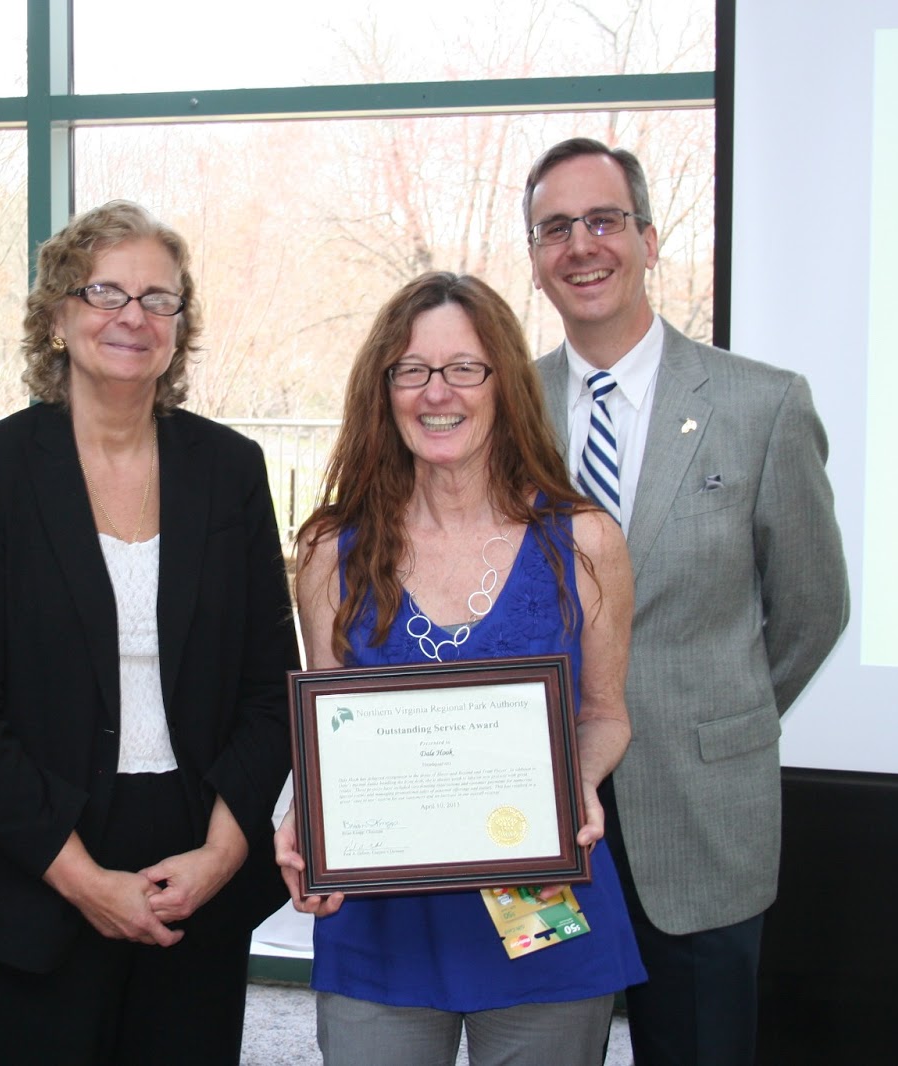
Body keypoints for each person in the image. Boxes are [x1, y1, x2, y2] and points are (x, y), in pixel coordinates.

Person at [0, 199, 299, 1064]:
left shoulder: (231, 471)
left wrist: (222, 854)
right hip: (18, 873)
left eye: (158, 299)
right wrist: (82, 880)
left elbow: (272, 691)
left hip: (193, 869)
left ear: (180, 327)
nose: (132, 316)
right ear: (56, 316)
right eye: (105, 292)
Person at [522, 137, 850, 1065]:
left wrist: (723, 712)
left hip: (704, 810)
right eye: (556, 228)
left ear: (650, 239)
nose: (581, 246)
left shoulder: (762, 405)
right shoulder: (505, 409)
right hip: (539, 813)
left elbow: (812, 608)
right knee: (542, 1046)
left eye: (604, 220)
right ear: (536, 258)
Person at [276, 271, 645, 1066]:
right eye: (411, 369)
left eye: (464, 368)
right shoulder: (329, 552)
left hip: (542, 907)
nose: (436, 392)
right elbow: (329, 736)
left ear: (504, 383)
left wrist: (576, 781)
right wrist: (305, 815)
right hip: (381, 919)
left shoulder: (585, 542)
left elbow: (607, 714)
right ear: (383, 389)